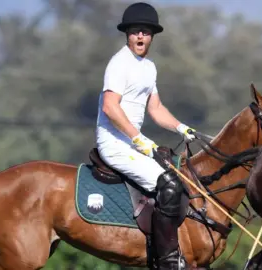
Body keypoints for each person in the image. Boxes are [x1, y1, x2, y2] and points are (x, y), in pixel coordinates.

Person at [95, 2, 194, 269]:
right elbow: (109, 106)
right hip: (114, 144)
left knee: (180, 177)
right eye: (136, 32)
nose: (140, 36)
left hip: (132, 143)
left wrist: (181, 127)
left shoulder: (148, 67)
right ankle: (167, 260)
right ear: (127, 34)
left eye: (145, 32)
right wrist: (137, 137)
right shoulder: (119, 64)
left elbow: (156, 108)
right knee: (169, 184)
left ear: (152, 37)